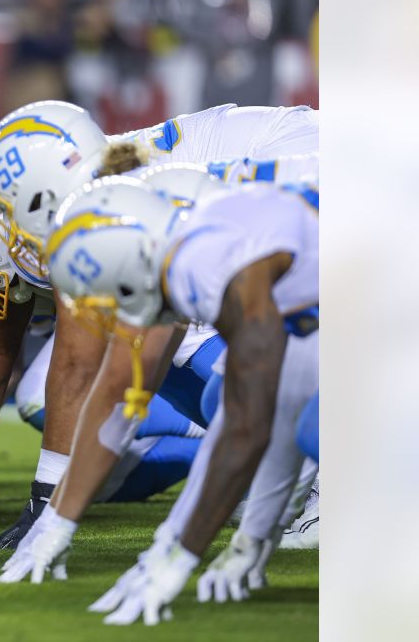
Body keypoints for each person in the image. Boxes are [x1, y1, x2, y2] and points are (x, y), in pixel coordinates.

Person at [45, 179, 318, 626]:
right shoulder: (196, 249)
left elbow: (252, 428)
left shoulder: (216, 268)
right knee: (231, 398)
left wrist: (179, 558)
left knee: (319, 428)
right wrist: (249, 538)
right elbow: (275, 400)